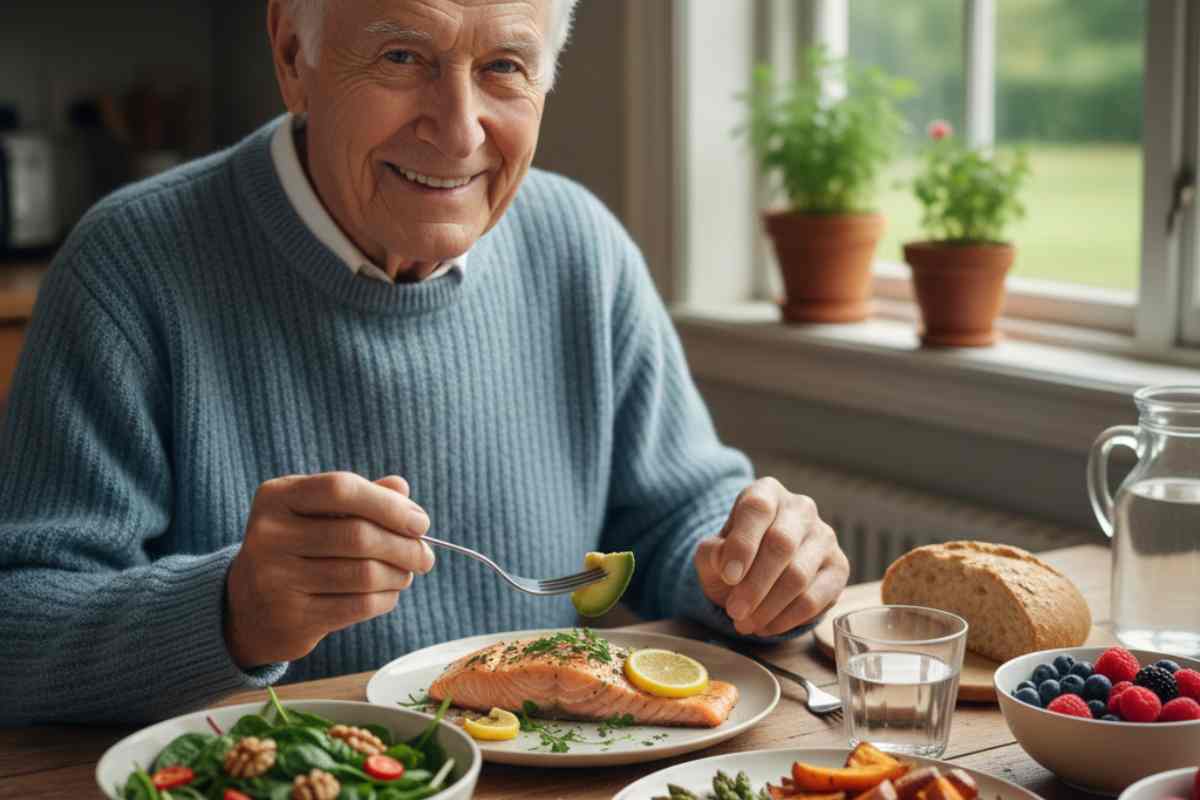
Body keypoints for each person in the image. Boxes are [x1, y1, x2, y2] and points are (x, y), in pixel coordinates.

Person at [0, 0, 849, 725]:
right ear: (293, 55)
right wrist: (232, 611)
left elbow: (676, 519)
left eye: (504, 66)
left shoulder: (581, 248)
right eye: (403, 57)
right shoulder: (128, 267)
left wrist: (756, 569)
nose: (458, 129)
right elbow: (16, 628)